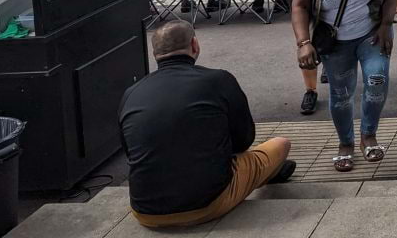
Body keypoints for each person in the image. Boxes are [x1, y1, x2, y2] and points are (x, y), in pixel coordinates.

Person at [120, 21, 293, 227]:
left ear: (155, 53)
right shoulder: (219, 80)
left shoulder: (131, 93)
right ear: (195, 45)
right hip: (206, 204)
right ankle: (266, 174)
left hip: (144, 212)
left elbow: (129, 151)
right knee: (280, 144)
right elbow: (244, 140)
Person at [291, 0, 397, 173]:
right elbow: (299, 6)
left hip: (371, 33)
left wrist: (387, 25)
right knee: (341, 94)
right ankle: (345, 142)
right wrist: (303, 43)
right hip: (335, 40)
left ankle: (369, 134)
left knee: (377, 80)